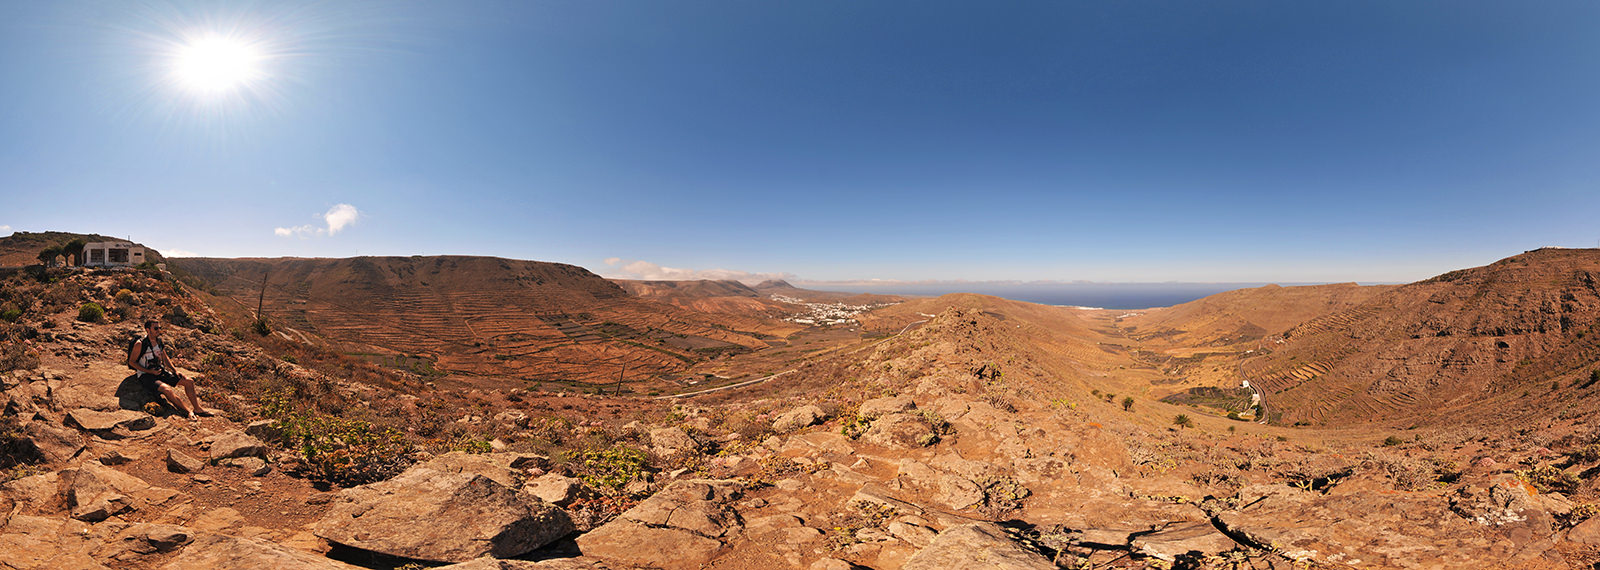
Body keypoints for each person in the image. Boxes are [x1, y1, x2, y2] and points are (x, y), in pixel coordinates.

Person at [128, 319, 211, 419]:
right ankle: (188, 412)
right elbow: (132, 362)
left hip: (159, 370)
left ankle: (197, 409)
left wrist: (175, 370)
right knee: (167, 390)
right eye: (155, 328)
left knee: (189, 381)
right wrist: (150, 371)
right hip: (146, 375)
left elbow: (165, 358)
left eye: (159, 328)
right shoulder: (140, 344)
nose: (158, 330)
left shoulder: (158, 341)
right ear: (147, 330)